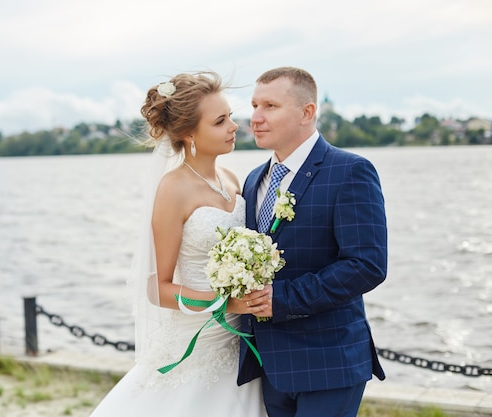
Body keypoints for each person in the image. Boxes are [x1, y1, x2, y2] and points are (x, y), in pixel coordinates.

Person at [89, 71, 268, 416]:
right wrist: (225, 302)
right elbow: (158, 288)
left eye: (230, 116)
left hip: (240, 344)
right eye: (220, 121)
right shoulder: (173, 188)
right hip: (197, 341)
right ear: (189, 134)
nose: (234, 126)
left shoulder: (231, 179)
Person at [238, 66, 388, 417]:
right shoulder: (252, 180)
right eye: (254, 105)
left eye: (270, 106)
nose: (255, 118)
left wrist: (283, 298)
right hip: (269, 365)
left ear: (307, 112)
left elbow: (367, 265)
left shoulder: (350, 171)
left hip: (328, 360)